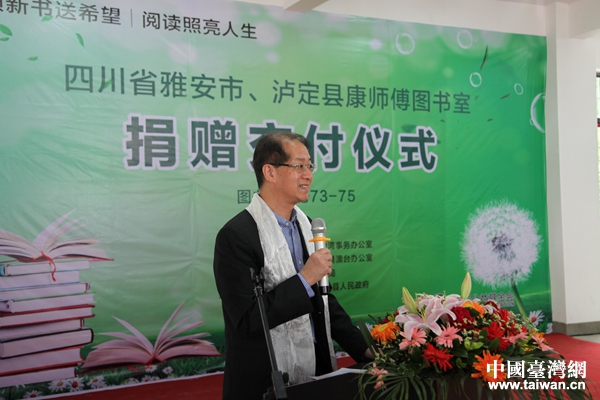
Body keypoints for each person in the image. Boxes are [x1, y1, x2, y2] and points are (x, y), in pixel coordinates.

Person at [213, 131, 372, 400]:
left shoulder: (306, 224)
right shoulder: (236, 236)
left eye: (310, 166)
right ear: (270, 172)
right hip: (263, 382)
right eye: (299, 166)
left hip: (316, 375)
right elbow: (248, 320)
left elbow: (323, 301)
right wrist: (304, 279)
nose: (308, 175)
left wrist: (365, 350)